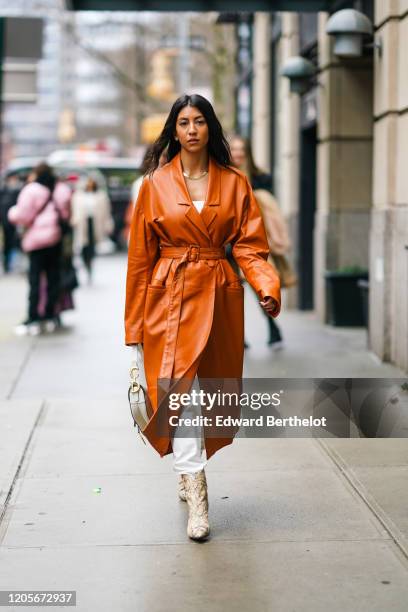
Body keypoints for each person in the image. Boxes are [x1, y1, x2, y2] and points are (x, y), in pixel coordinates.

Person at [125, 93, 281, 542]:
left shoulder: (235, 183)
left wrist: (265, 285)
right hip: (167, 299)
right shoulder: (154, 184)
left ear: (210, 128)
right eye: (184, 122)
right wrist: (133, 326)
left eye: (199, 121)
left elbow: (251, 245)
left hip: (217, 296)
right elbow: (139, 259)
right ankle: (198, 495)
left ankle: (187, 463)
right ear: (173, 130)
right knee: (180, 393)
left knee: (211, 395)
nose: (192, 129)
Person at [230, 134, 290, 349]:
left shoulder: (261, 178)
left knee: (261, 290)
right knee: (233, 293)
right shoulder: (223, 177)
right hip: (228, 246)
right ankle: (239, 336)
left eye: (241, 149)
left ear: (247, 153)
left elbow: (270, 210)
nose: (237, 153)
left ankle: (273, 329)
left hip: (254, 244)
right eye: (233, 149)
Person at [7, 163, 72, 335]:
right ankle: (50, 315)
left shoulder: (32, 190)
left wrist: (11, 212)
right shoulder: (61, 189)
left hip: (36, 241)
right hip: (55, 239)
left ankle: (33, 316)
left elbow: (21, 215)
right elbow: (66, 215)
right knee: (53, 278)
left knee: (35, 279)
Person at [70, 177, 114, 283]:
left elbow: (106, 212)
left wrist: (108, 225)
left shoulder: (101, 196)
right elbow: (74, 210)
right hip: (82, 225)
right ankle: (86, 265)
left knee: (91, 248)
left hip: (95, 224)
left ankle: (90, 267)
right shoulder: (78, 196)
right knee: (83, 248)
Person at [0, 174, 21, 273]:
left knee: (13, 243)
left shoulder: (17, 192)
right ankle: (6, 263)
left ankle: (11, 263)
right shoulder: (3, 191)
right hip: (5, 222)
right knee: (7, 244)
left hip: (13, 222)